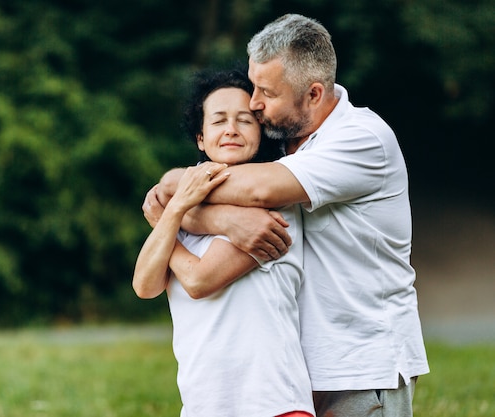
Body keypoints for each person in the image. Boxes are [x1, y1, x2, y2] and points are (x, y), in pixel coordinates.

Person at [144, 14, 429, 417]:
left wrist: (177, 196)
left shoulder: (360, 139)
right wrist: (222, 221)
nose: (254, 103)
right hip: (301, 371)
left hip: (361, 365)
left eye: (266, 92)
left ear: (313, 94)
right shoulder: (288, 148)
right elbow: (196, 188)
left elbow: (253, 189)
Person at [133, 67, 315, 417]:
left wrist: (167, 217)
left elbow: (201, 280)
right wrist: (172, 214)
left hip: (272, 402)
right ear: (201, 138)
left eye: (245, 120)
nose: (231, 129)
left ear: (261, 133)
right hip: (206, 403)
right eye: (219, 121)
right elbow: (144, 286)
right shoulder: (184, 210)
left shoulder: (276, 202)